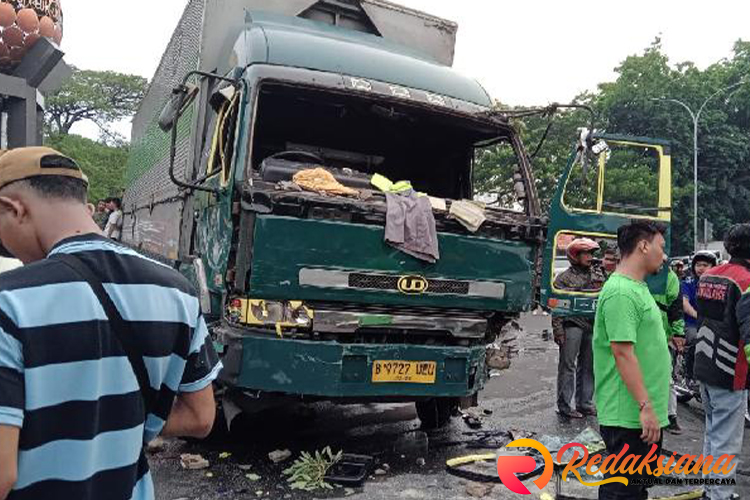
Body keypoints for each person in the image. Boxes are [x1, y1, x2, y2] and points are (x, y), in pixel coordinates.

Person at [0, 147, 221, 500]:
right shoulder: (178, 291)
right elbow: (200, 417)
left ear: (14, 208)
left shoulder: (8, 300)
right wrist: (113, 421)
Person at [593, 220, 671, 500]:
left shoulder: (637, 287)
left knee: (636, 486)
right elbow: (622, 353)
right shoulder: (621, 292)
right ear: (643, 245)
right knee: (621, 489)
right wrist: (645, 406)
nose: (664, 255)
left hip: (644, 414)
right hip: (629, 415)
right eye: (661, 247)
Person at [694, 224, 750, 500]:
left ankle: (710, 489)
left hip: (704, 365)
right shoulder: (745, 281)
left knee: (712, 434)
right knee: (726, 440)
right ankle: (720, 495)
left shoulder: (710, 275)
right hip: (731, 372)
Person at [552, 238, 606, 419]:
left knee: (589, 366)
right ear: (575, 255)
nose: (590, 257)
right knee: (568, 366)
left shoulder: (598, 274)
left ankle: (585, 403)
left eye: (592, 253)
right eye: (586, 253)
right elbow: (557, 306)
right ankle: (565, 406)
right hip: (572, 324)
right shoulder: (563, 278)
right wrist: (558, 330)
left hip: (592, 325)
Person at [651, 268, 685, 435]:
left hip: (662, 335)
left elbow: (676, 306)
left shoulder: (668, 276)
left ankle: (671, 416)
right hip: (637, 334)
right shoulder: (633, 271)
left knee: (667, 377)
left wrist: (678, 333)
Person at [681, 250, 718, 388]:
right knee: (697, 340)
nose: (701, 268)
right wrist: (699, 317)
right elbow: (685, 304)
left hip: (713, 323)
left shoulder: (718, 284)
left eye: (705, 265)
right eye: (698, 265)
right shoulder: (688, 283)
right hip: (692, 323)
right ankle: (689, 376)